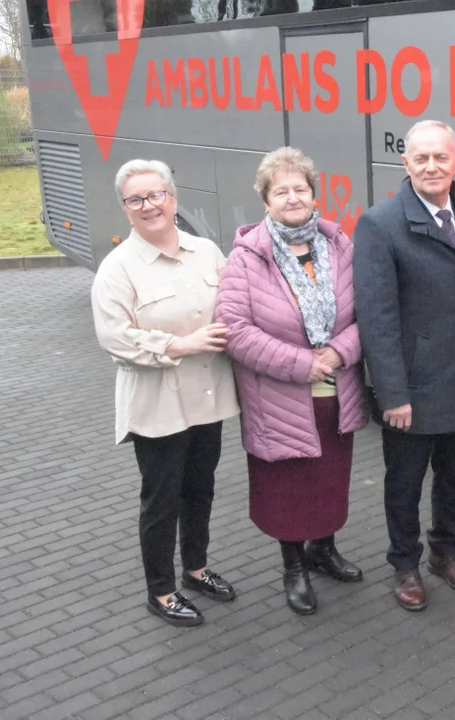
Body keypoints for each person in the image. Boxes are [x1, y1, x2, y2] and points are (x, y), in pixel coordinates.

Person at [215, 147, 368, 616]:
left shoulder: (341, 246)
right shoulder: (246, 258)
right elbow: (235, 332)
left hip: (335, 396)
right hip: (279, 399)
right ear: (265, 200)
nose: (292, 197)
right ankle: (293, 568)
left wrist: (340, 351)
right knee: (285, 489)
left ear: (313, 193)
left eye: (300, 188)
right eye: (280, 191)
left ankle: (322, 550)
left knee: (327, 482)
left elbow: (368, 312)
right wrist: (303, 364)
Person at [91, 159, 239, 627]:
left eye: (156, 195)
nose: (148, 205)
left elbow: (236, 303)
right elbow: (115, 338)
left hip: (207, 398)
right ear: (125, 209)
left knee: (201, 490)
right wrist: (180, 344)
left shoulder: (206, 251)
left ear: (173, 198)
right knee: (161, 500)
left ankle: (195, 568)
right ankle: (161, 590)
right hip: (157, 405)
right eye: (136, 199)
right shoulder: (118, 269)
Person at [353, 120, 455, 611]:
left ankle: (445, 553)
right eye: (420, 158)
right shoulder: (379, 224)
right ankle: (405, 563)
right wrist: (392, 394)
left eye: (441, 157)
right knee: (404, 485)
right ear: (404, 164)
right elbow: (377, 318)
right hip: (411, 388)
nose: (432, 166)